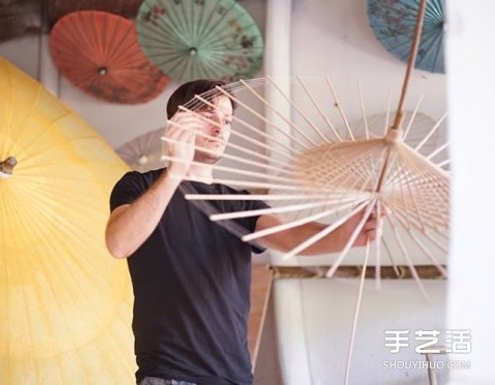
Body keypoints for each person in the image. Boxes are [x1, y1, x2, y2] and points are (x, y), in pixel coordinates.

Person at [105, 79, 379, 385]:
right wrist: (175, 173)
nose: (220, 128)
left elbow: (290, 236)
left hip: (235, 377)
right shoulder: (138, 186)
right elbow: (119, 243)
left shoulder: (240, 202)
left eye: (226, 120)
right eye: (209, 116)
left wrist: (347, 234)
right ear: (179, 120)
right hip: (171, 375)